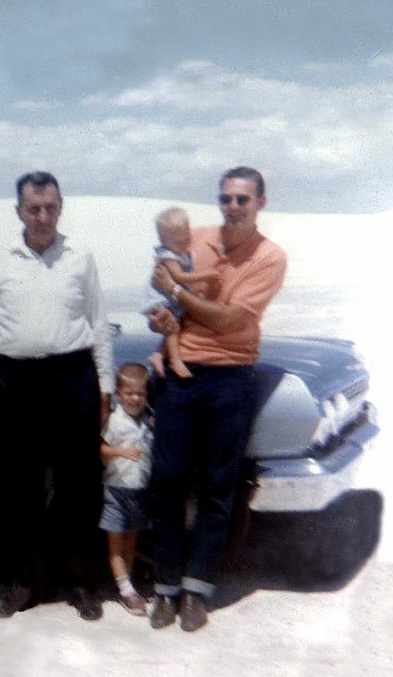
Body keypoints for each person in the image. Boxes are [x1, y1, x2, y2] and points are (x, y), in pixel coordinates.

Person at [146, 166, 287, 631]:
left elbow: (228, 321)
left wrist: (176, 293)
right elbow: (161, 276)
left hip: (230, 378)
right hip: (180, 375)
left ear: (260, 203)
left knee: (217, 487)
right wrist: (163, 320)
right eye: (226, 198)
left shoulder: (270, 257)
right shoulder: (198, 236)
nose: (232, 207)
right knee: (166, 481)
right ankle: (165, 588)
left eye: (242, 200)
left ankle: (197, 590)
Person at [0, 171, 114, 620]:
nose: (42, 216)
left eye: (50, 207)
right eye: (33, 208)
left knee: (79, 487)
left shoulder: (80, 255)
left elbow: (99, 322)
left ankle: (80, 582)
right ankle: (24, 582)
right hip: (16, 382)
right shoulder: (3, 259)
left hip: (72, 377)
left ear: (60, 207)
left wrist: (105, 387)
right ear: (19, 211)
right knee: (19, 487)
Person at [99, 363, 153, 617]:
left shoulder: (147, 420)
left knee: (132, 542)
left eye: (140, 394)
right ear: (118, 394)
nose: (135, 398)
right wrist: (122, 452)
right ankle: (125, 589)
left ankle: (128, 584)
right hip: (116, 492)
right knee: (116, 546)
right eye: (129, 393)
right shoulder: (115, 421)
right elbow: (100, 449)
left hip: (138, 492)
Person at [142, 207, 220, 379]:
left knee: (176, 326)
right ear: (163, 240)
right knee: (173, 327)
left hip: (171, 299)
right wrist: (205, 276)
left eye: (187, 239)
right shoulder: (169, 256)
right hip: (161, 300)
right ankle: (175, 362)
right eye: (178, 243)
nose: (184, 245)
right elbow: (179, 276)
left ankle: (159, 355)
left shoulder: (180, 250)